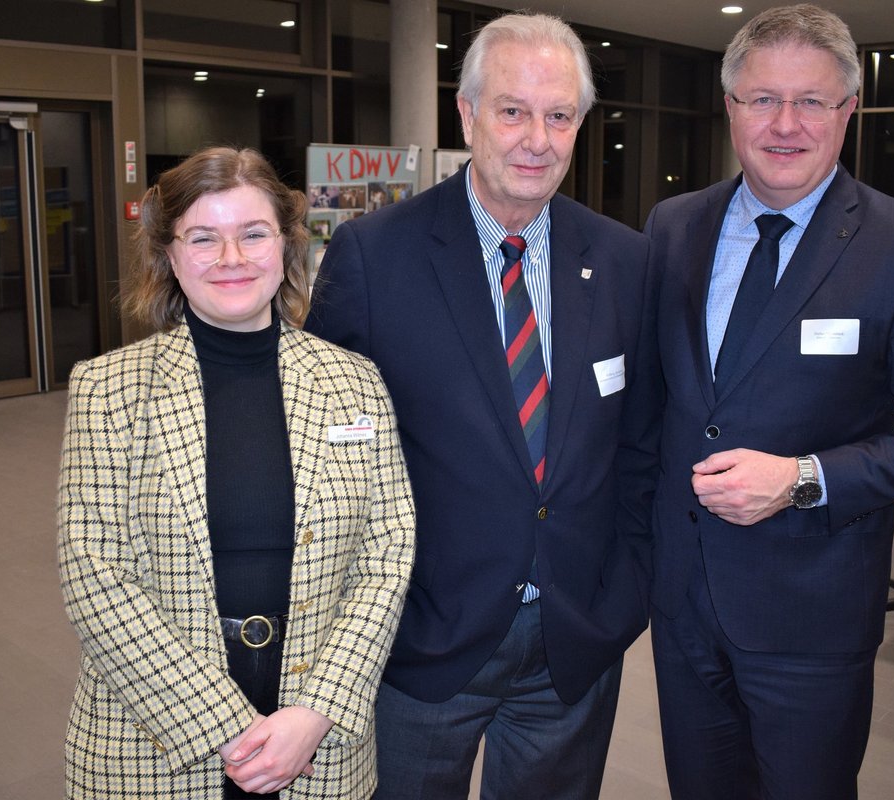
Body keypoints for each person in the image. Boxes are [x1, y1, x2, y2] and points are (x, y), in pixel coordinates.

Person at [641, 5, 894, 798]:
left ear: (849, 108)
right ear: (730, 107)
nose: (786, 124)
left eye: (812, 101)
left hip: (811, 614)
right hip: (683, 603)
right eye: (763, 99)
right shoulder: (672, 226)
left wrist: (803, 477)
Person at [305, 12, 658, 800]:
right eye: (512, 110)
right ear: (465, 115)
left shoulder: (627, 260)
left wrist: (622, 596)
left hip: (574, 643)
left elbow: (640, 446)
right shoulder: (374, 256)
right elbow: (328, 458)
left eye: (559, 115)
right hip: (423, 640)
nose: (537, 137)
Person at [57, 146, 415, 800]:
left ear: (286, 246)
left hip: (318, 736)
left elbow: (387, 554)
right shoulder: (107, 391)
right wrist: (224, 726)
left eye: (253, 234)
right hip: (152, 736)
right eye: (203, 238)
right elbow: (93, 571)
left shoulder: (355, 384)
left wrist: (314, 713)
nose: (232, 259)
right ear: (168, 254)